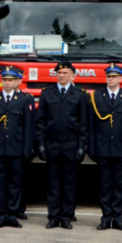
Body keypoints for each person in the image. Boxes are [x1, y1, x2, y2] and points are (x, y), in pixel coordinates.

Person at [35, 59, 89, 229]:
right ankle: (53, 217)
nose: (62, 76)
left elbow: (83, 124)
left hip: (71, 145)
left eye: (65, 73)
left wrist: (81, 146)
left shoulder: (80, 95)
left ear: (72, 75)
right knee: (52, 183)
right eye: (59, 73)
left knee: (69, 183)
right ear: (55, 75)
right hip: (52, 144)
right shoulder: (47, 94)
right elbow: (40, 122)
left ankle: (66, 217)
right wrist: (41, 144)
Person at [87, 63, 122, 231]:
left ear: (121, 78)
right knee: (104, 184)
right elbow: (91, 125)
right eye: (109, 76)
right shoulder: (97, 96)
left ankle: (118, 218)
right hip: (102, 148)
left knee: (119, 185)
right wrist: (92, 147)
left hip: (121, 149)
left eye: (114, 76)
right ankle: (105, 217)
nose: (111, 79)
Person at [0, 66, 35, 229]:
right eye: (5, 80)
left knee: (15, 183)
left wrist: (28, 148)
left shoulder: (25, 99)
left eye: (10, 80)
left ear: (15, 82)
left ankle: (12, 215)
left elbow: (28, 126)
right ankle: (2, 215)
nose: (7, 83)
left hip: (17, 148)